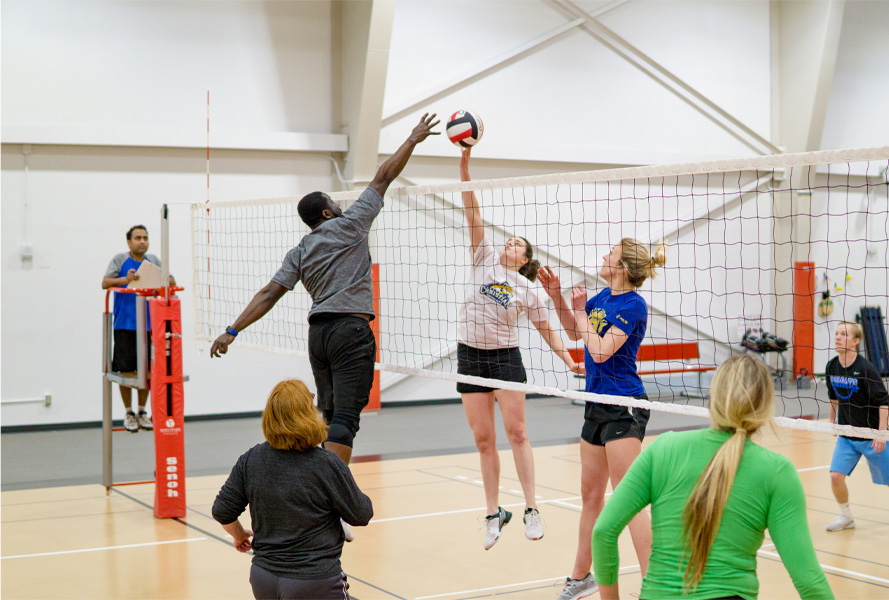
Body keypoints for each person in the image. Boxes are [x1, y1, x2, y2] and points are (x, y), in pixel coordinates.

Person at [210, 114, 440, 467]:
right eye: (334, 201)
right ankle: (329, 499)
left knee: (327, 418)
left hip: (318, 335)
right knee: (345, 420)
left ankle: (314, 487)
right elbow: (383, 176)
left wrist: (231, 330)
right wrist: (412, 138)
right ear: (327, 212)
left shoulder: (300, 251)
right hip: (349, 331)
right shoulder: (350, 225)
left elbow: (269, 293)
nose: (339, 203)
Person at [591, 355, 834, 600]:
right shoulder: (777, 472)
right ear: (765, 408)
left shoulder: (663, 449)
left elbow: (603, 532)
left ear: (712, 400)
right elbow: (809, 583)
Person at [457, 148, 584, 550]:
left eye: (516, 245)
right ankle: (494, 513)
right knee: (483, 440)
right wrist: (464, 168)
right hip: (470, 356)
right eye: (508, 240)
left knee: (518, 432)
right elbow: (472, 211)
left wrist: (568, 360)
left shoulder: (529, 289)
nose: (509, 244)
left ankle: (531, 508)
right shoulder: (483, 258)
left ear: (525, 258)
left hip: (504, 359)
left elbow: (547, 329)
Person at [538, 239, 663, 600]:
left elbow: (600, 349)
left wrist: (580, 312)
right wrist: (558, 297)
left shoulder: (633, 305)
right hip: (595, 404)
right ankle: (581, 578)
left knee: (629, 497)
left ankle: (653, 583)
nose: (604, 256)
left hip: (624, 404)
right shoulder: (603, 298)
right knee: (591, 495)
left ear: (622, 267)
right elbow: (576, 332)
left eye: (611, 254)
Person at [212, 379, 373, 600]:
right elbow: (362, 514)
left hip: (263, 578)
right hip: (314, 581)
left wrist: (239, 535)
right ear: (307, 414)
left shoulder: (251, 459)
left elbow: (222, 511)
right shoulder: (326, 464)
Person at [825, 321, 889, 532]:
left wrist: (881, 433)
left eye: (844, 334)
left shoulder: (866, 368)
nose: (838, 337)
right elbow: (833, 395)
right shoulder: (832, 366)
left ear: (856, 341)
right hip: (848, 436)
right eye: (837, 333)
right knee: (835, 476)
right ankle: (846, 517)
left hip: (872, 437)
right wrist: (832, 421)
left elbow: (883, 401)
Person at [102, 224, 175, 433]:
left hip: (150, 325)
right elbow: (105, 282)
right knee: (126, 370)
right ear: (129, 242)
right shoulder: (119, 259)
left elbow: (170, 280)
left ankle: (142, 411)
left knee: (149, 371)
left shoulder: (153, 261)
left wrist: (166, 279)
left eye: (145, 237)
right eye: (137, 238)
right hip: (125, 324)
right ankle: (128, 412)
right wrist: (127, 280)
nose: (142, 241)